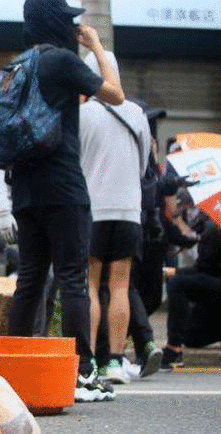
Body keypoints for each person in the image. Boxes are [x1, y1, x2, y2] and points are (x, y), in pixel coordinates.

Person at [5, 0, 125, 403]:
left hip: (23, 188)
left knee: (30, 279)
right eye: (69, 21)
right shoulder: (59, 61)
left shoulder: (19, 64)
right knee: (72, 276)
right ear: (55, 23)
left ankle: (13, 368)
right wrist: (96, 48)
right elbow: (116, 95)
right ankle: (83, 370)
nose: (76, 27)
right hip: (61, 186)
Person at [79, 51, 151, 384]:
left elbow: (75, 164)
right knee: (120, 285)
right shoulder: (136, 113)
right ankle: (117, 362)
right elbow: (143, 164)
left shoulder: (81, 114)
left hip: (93, 209)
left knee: (91, 284)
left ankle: (91, 360)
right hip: (127, 208)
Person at [162, 214, 221, 369]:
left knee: (178, 284)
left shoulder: (214, 230)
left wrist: (173, 272)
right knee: (190, 335)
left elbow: (203, 268)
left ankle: (173, 349)